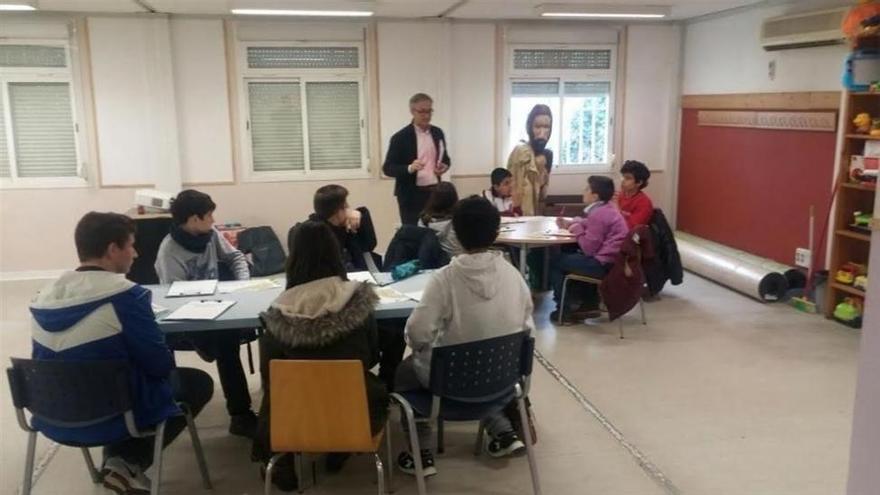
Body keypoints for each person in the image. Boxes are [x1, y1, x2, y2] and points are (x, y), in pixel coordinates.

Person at [30, 212, 214, 495]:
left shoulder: (43, 297)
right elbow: (159, 364)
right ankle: (126, 464)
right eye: (130, 245)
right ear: (112, 249)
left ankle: (118, 466)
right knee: (196, 383)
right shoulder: (126, 296)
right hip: (113, 413)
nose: (136, 253)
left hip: (53, 412)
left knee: (114, 383)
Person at [395, 196, 535, 477]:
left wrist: (422, 348)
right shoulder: (514, 276)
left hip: (450, 384)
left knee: (404, 372)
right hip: (503, 380)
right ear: (497, 232)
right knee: (480, 368)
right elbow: (527, 327)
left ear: (455, 233)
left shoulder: (444, 279)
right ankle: (502, 431)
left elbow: (416, 332)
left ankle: (419, 451)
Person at [253, 221, 388, 491]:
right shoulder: (358, 300)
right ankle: (340, 445)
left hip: (294, 417)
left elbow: (270, 375)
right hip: (357, 410)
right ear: (335, 252)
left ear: (293, 258)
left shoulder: (279, 311)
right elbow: (372, 356)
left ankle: (283, 462)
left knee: (277, 392)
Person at [155, 189, 257, 437]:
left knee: (227, 340)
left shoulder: (211, 236)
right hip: (188, 316)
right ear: (193, 219)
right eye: (209, 216)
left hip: (217, 306)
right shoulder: (169, 251)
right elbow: (176, 297)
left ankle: (240, 414)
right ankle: (241, 414)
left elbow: (235, 258)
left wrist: (242, 283)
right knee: (226, 342)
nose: (213, 220)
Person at [550, 176, 629, 323]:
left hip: (604, 265)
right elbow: (589, 223)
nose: (583, 191)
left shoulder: (599, 214)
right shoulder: (607, 209)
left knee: (556, 260)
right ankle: (588, 303)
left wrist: (577, 228)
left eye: (587, 188)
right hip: (615, 262)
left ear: (595, 195)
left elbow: (588, 249)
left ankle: (564, 310)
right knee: (569, 254)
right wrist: (574, 222)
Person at [383, 93, 452, 225]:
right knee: (414, 234)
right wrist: (409, 168)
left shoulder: (438, 133)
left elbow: (446, 159)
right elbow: (388, 168)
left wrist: (444, 166)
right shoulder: (400, 137)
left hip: (434, 192)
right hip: (410, 195)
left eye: (429, 111)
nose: (426, 115)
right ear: (412, 111)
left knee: (436, 231)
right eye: (422, 111)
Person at [297, 184, 375, 272]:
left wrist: (361, 216)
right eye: (346, 206)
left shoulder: (344, 226)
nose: (349, 210)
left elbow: (369, 246)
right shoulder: (314, 232)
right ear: (337, 211)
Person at [507, 104, 553, 216]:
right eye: (537, 127)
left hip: (537, 215)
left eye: (546, 127)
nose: (542, 132)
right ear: (529, 127)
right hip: (520, 214)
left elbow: (542, 195)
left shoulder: (547, 155)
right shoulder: (521, 151)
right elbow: (515, 189)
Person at [419, 181, 463, 258]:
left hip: (432, 263)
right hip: (456, 261)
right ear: (454, 198)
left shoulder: (423, 220)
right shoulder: (460, 220)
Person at [617, 160, 654, 229]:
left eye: (628, 178)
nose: (622, 180)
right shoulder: (620, 195)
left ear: (639, 182)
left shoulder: (644, 203)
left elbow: (631, 227)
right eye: (622, 177)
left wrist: (617, 211)